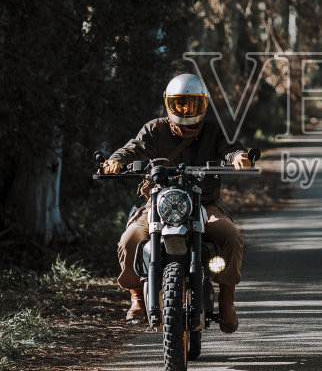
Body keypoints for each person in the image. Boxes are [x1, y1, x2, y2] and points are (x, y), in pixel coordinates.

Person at [103, 73, 252, 332]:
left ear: (203, 105)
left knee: (231, 236)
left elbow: (229, 148)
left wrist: (239, 156)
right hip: (157, 205)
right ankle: (137, 298)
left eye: (192, 104)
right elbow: (133, 148)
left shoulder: (212, 130)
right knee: (129, 239)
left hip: (203, 204)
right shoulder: (154, 129)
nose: (185, 110)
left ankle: (227, 300)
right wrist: (115, 160)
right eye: (180, 103)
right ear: (169, 103)